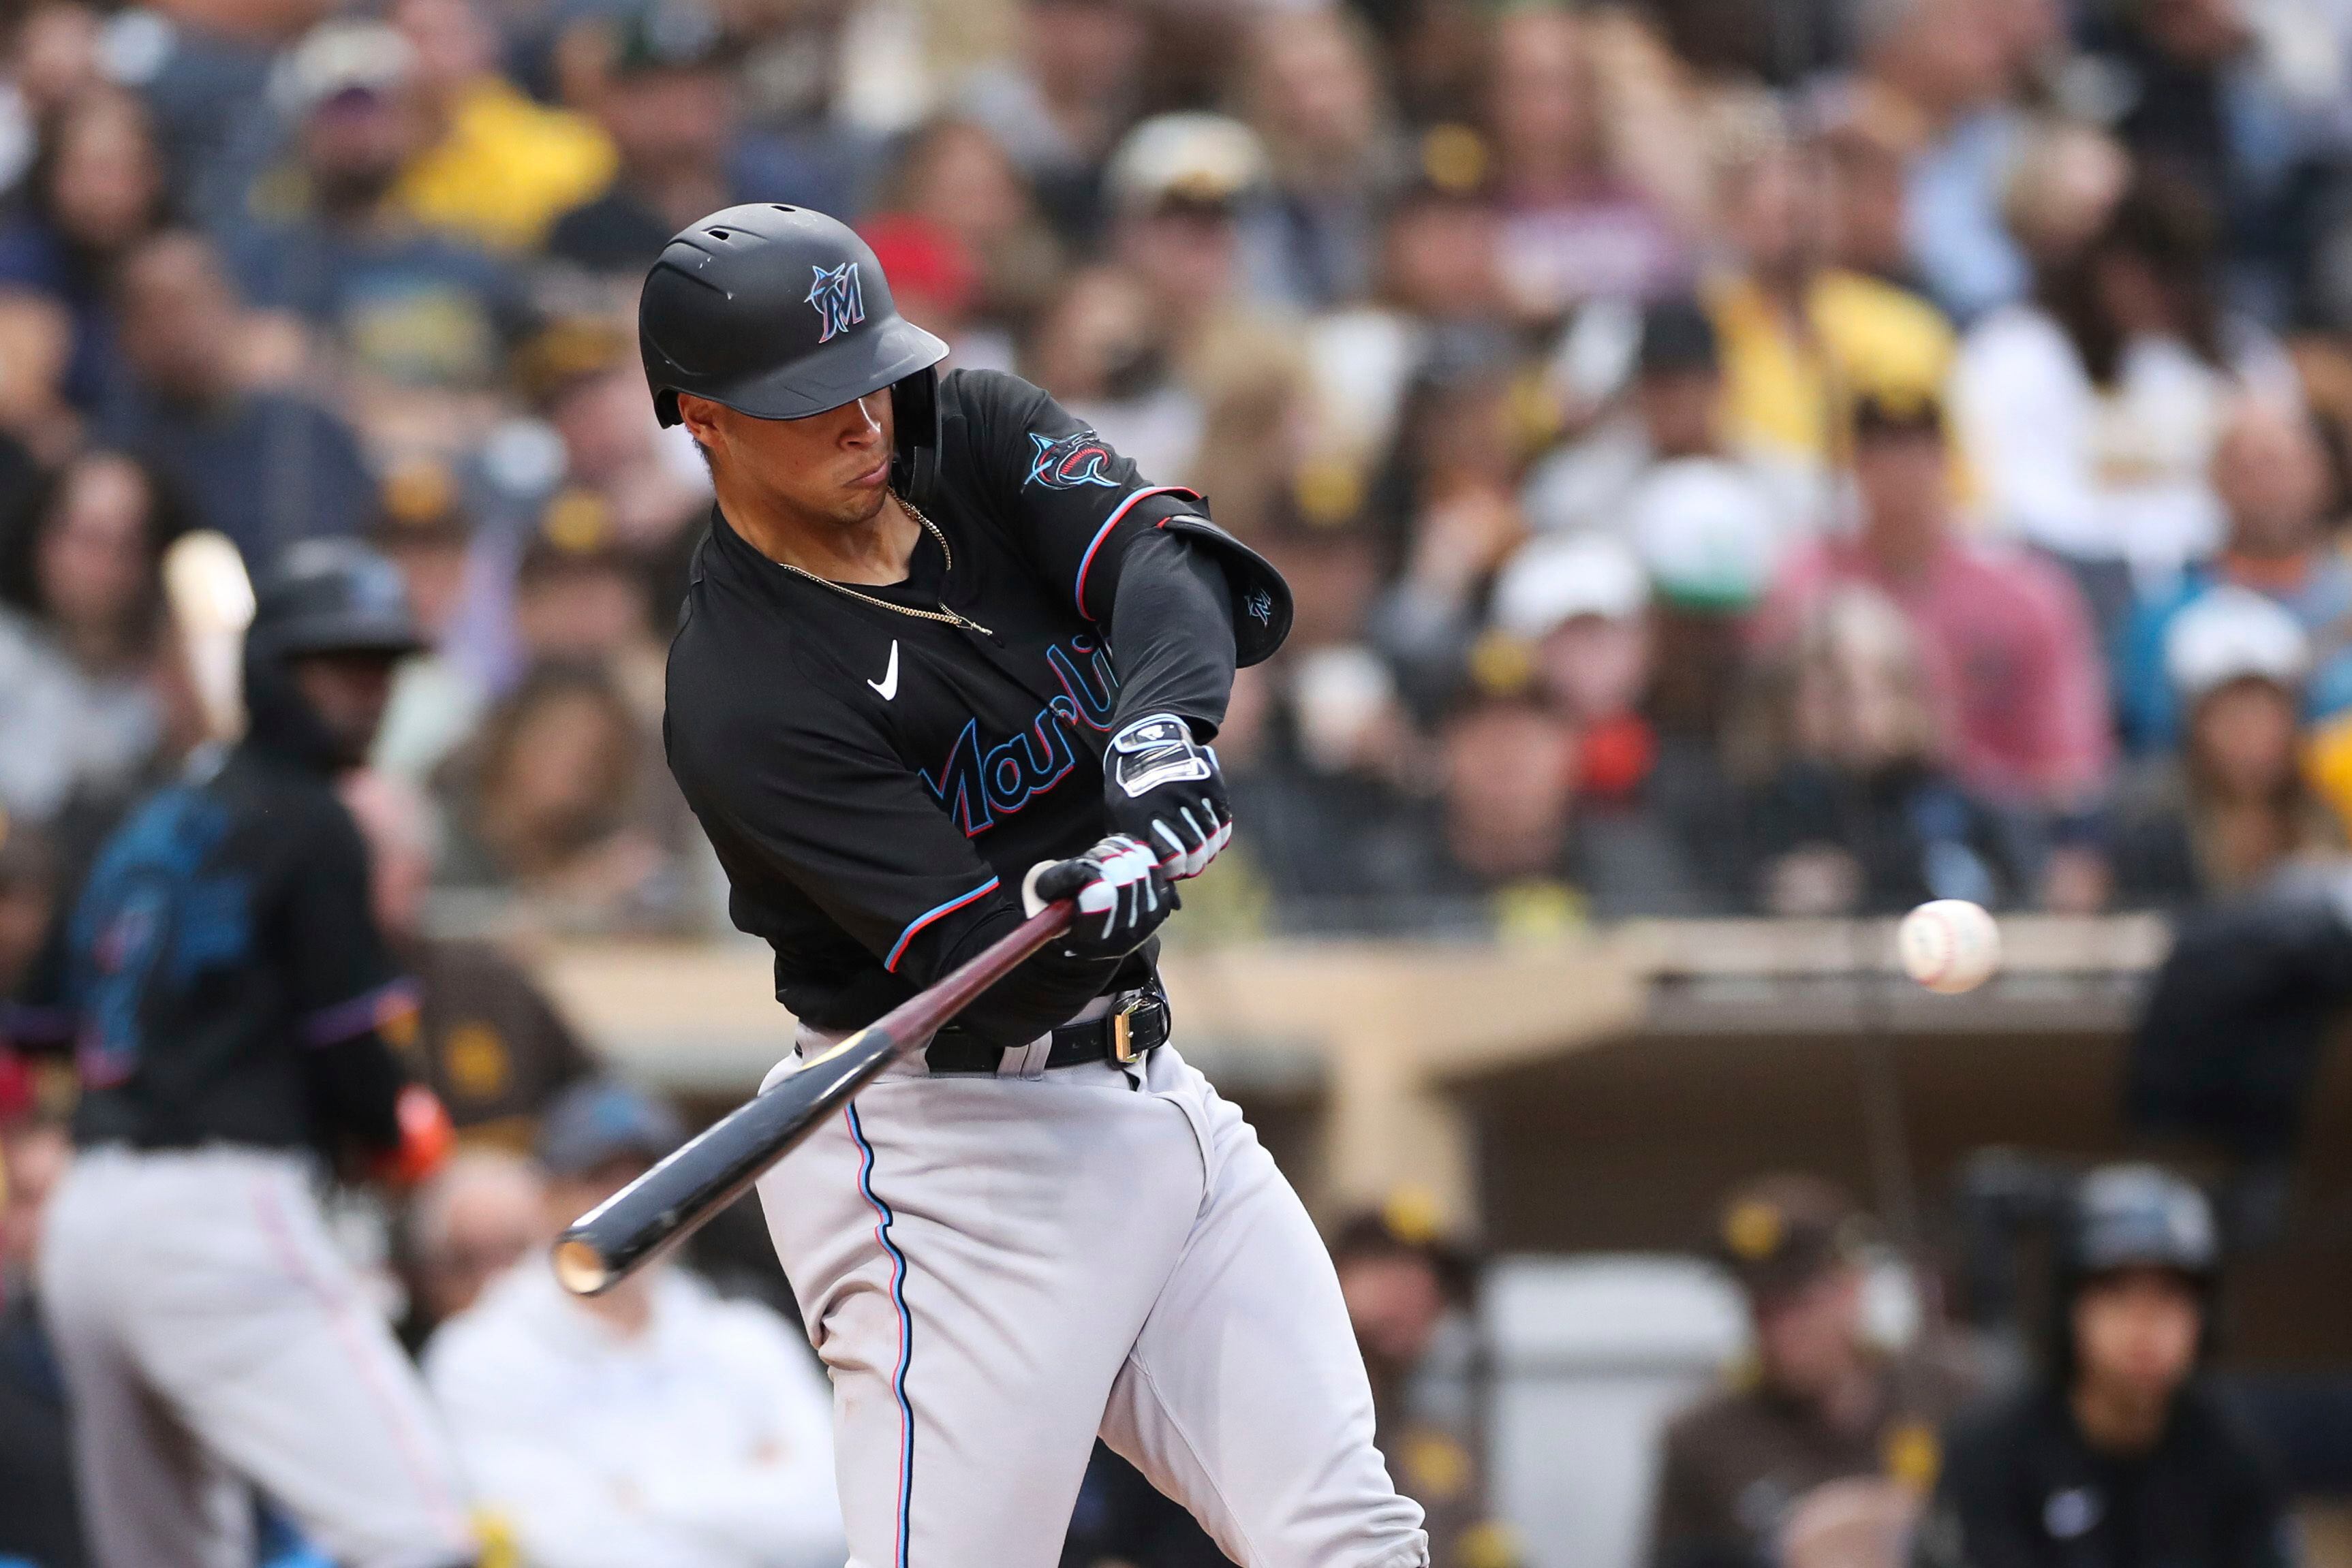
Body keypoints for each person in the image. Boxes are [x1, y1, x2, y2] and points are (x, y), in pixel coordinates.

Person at [645, 204, 1426, 1564]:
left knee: (1346, 1531)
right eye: (811, 398)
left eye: (868, 373)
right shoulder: (742, 694)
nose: (863, 419)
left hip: (1149, 1094)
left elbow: (1170, 569)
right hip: (947, 1157)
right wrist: (1076, 899)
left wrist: (1157, 729)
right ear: (702, 417)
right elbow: (973, 964)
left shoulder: (968, 428)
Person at [18, 542, 476, 1568]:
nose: (367, 692)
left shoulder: (148, 815)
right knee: (422, 1531)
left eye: (382, 668)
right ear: (272, 669)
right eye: (338, 666)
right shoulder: (315, 820)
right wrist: (398, 1129)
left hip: (88, 1222)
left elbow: (39, 1023)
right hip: (218, 1212)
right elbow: (352, 1044)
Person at [425, 1080, 844, 1568]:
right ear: (546, 1197)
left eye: (654, 1181)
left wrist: (640, 1497)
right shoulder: (477, 1356)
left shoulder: (749, 1337)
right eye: (599, 1180)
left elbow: (838, 1520)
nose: (634, 1206)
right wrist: (749, 1484)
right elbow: (557, 1549)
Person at [1753, 390, 2113, 909]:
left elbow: (2069, 767)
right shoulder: (1804, 582)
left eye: (1918, 448)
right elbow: (1764, 740)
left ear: (1948, 460)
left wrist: (2067, 853)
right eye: (1881, 448)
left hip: (1993, 832)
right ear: (1856, 464)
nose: (1901, 469)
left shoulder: (2024, 597)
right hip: (1836, 822)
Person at [1914, 1165, 2288, 1568]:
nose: (2144, 1325)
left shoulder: (2236, 1456)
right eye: (2116, 1293)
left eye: (2170, 1297)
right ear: (2069, 1307)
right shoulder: (1990, 1453)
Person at [1650, 1176, 1961, 1568]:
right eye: (1761, 1311)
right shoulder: (1703, 1440)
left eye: (1797, 1304)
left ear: (1853, 1286)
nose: (1780, 1333)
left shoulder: (1954, 1396)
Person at [341, 768, 598, 1140]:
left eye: (370, 853)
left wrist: (611, 1157)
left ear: (419, 868)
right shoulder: (281, 992)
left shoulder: (491, 984)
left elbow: (596, 1092)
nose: (345, 875)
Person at [97, 231, 379, 563]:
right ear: (127, 334)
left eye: (195, 303)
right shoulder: (116, 452)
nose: (183, 330)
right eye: (159, 313)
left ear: (231, 304)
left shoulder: (303, 433)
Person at [2116, 398, 2352, 751]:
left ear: (2324, 476)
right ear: (2216, 480)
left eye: (2278, 464)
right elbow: (2151, 736)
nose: (2264, 484)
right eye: (2244, 467)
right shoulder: (2166, 614)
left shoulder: (2343, 597)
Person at [2111, 588, 2341, 907]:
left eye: (2266, 713)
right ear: (2196, 726)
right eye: (2230, 716)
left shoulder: (2326, 809)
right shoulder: (2150, 828)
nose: (2249, 734)